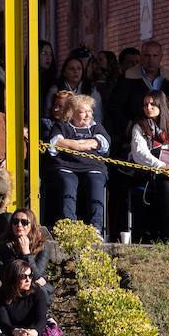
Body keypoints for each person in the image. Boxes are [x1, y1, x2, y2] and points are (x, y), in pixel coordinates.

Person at [128, 89, 169, 241]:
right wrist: (162, 166)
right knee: (166, 182)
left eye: (152, 104)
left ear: (161, 105)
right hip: (149, 171)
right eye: (145, 104)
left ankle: (168, 237)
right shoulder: (140, 126)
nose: (148, 107)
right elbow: (140, 154)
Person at [46, 94, 110, 232]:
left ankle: (96, 228)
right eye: (83, 112)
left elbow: (100, 143)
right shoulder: (62, 126)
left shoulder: (96, 126)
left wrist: (72, 144)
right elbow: (56, 143)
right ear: (72, 113)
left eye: (90, 111)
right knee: (67, 182)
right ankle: (69, 227)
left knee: (96, 182)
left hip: (93, 166)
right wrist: (80, 145)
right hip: (66, 165)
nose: (88, 115)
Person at [109, 40, 169, 143]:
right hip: (134, 134)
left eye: (155, 56)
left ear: (161, 57)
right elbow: (115, 106)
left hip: (166, 134)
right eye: (147, 55)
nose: (151, 60)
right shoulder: (127, 78)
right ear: (141, 57)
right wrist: (128, 127)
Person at [0, 209, 55, 302]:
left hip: (31, 287)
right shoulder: (3, 245)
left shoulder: (42, 246)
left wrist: (26, 253)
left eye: (24, 222)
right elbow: (0, 272)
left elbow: (36, 276)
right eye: (15, 221)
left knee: (41, 289)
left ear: (32, 225)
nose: (19, 225)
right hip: (11, 287)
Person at [44, 56, 103, 125]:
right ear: (64, 72)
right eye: (72, 69)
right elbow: (47, 114)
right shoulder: (55, 90)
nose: (76, 71)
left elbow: (98, 117)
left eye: (79, 68)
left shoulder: (91, 91)